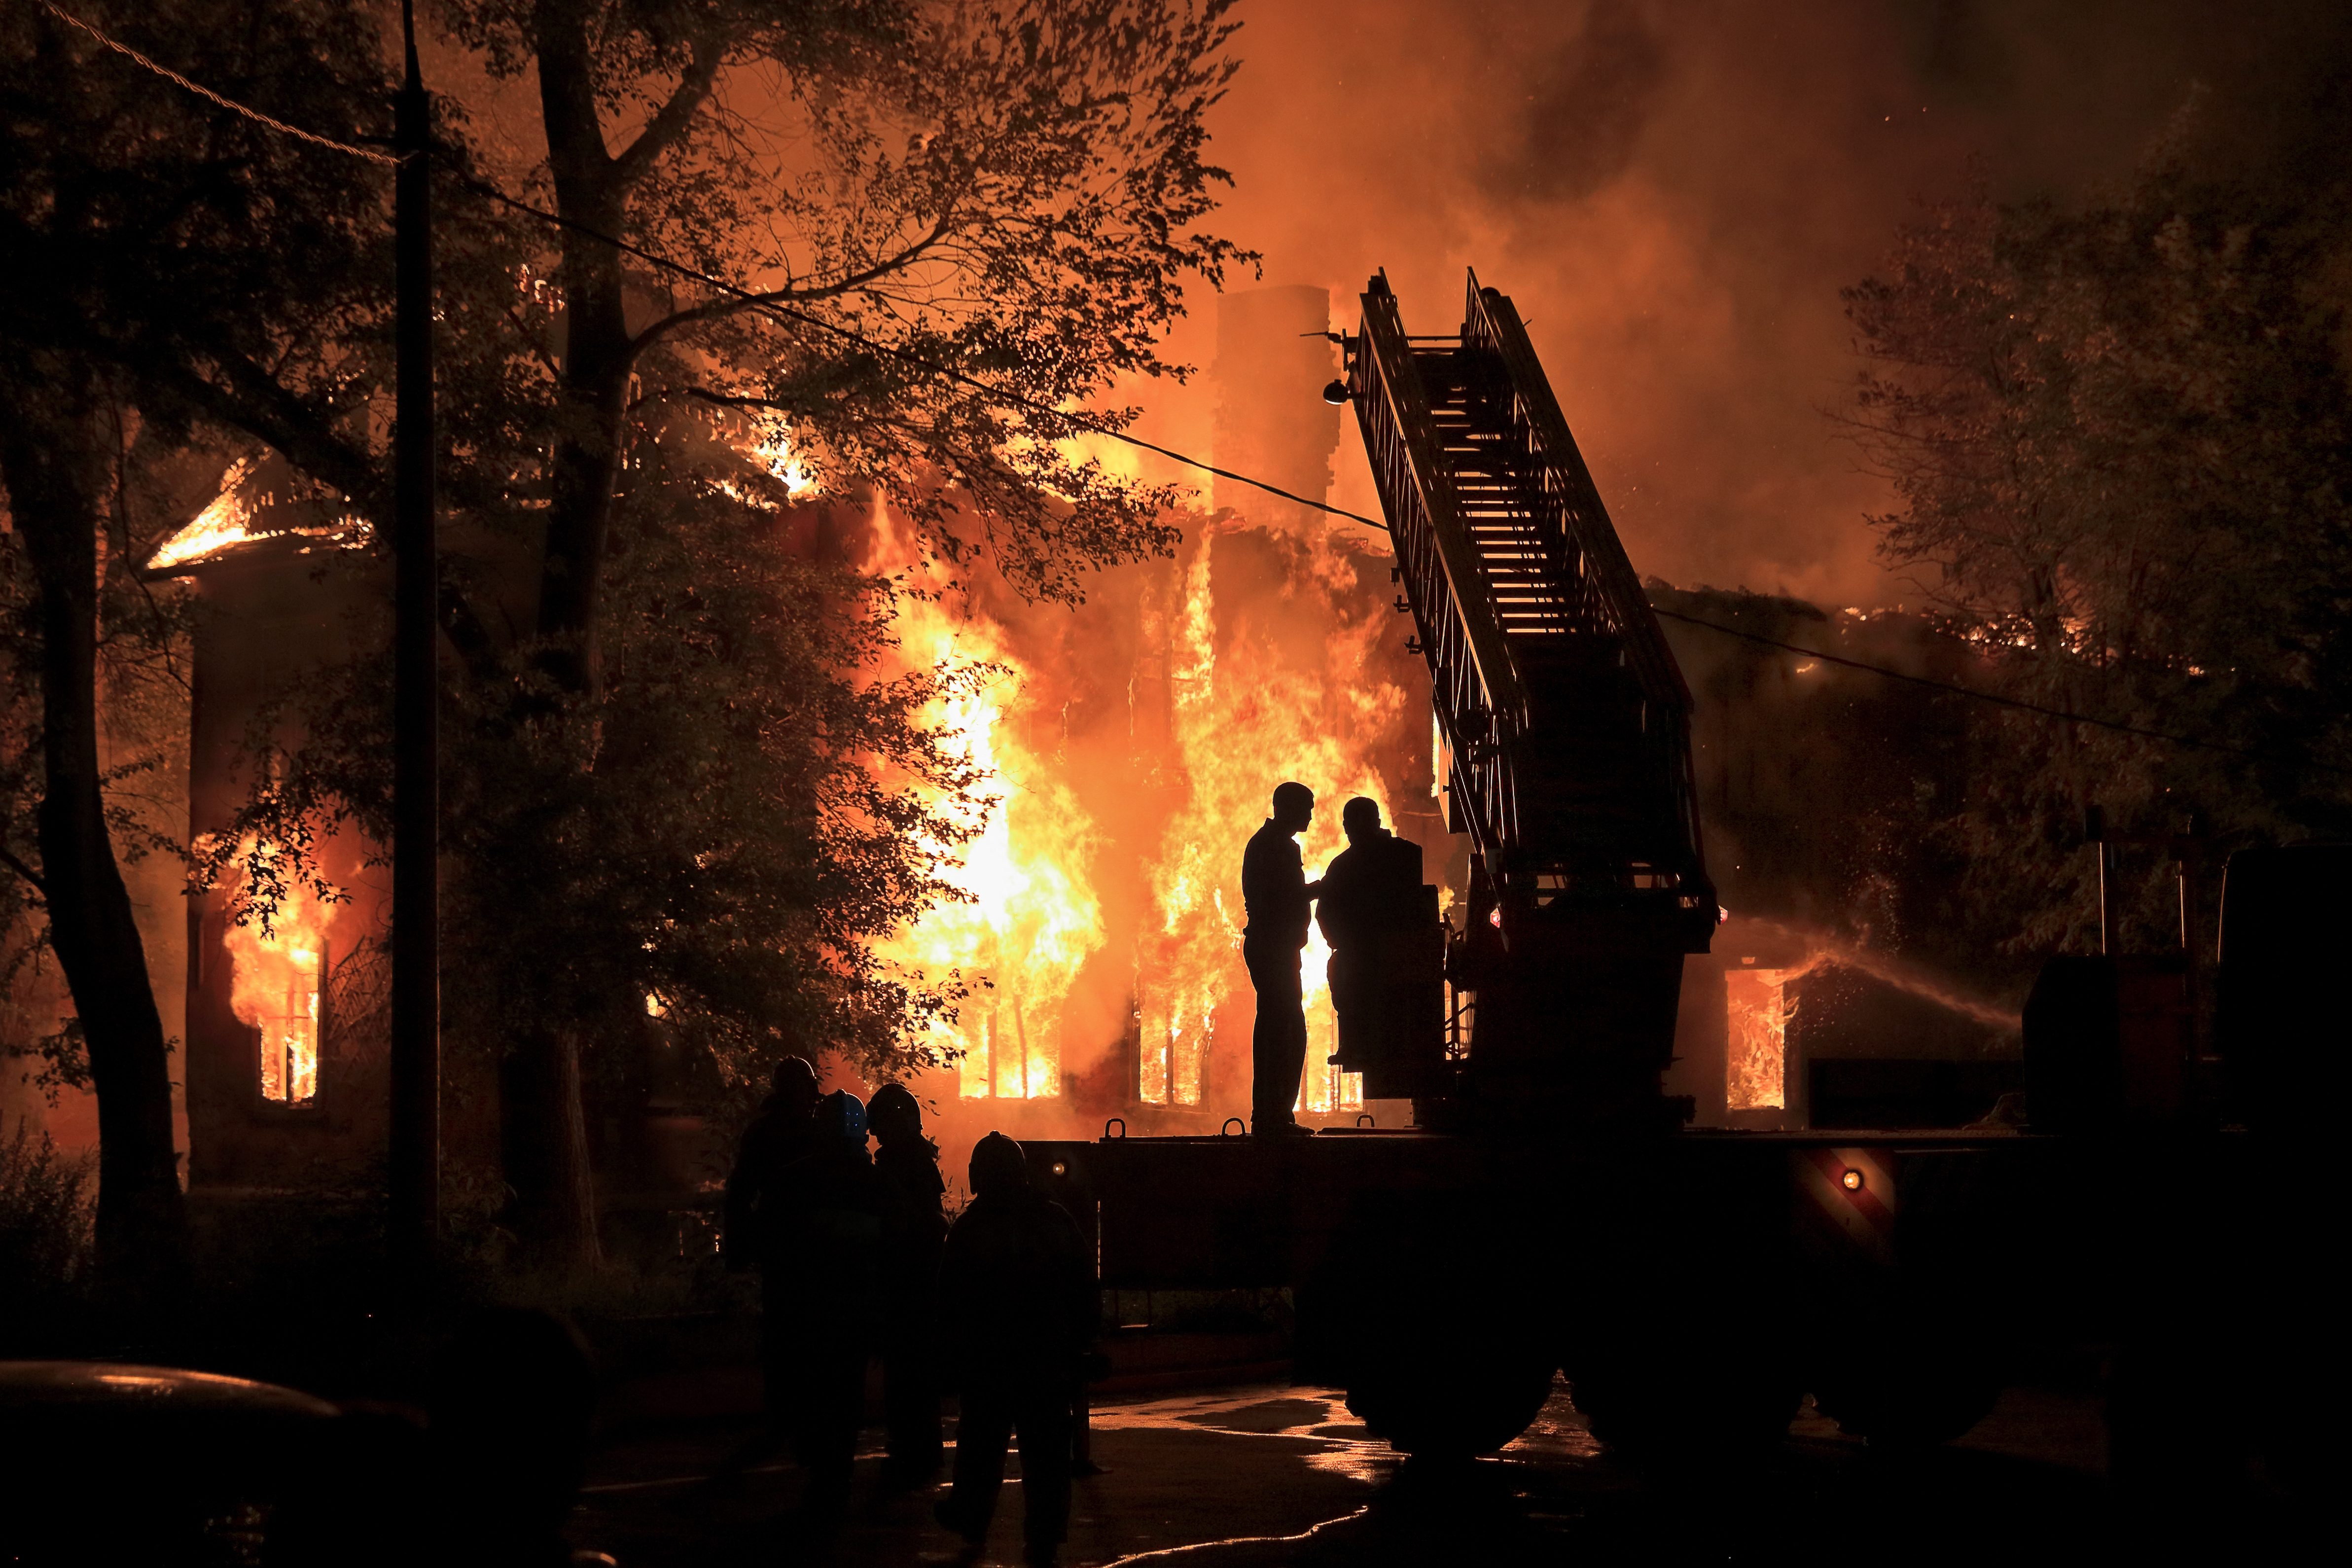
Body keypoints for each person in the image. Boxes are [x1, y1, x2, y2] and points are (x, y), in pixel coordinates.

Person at [934, 1133, 1094, 1568]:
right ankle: (1044, 1534)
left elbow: (948, 1300)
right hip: (1046, 1366)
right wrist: (1082, 1345)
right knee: (1046, 1456)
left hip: (989, 1367)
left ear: (977, 1175)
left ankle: (970, 1518)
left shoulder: (969, 1229)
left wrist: (949, 1356)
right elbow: (1084, 1287)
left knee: (980, 1447)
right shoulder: (1054, 1221)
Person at [867, 1082, 948, 1488]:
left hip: (909, 1285)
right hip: (917, 1283)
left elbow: (900, 1228)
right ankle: (921, 1450)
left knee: (909, 1374)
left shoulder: (902, 1167)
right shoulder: (916, 1162)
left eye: (880, 1126)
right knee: (915, 1373)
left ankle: (912, 1452)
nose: (876, 1135)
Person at [1315, 797, 1426, 1079]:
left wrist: (1343, 944)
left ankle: (1354, 1043)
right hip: (1405, 953)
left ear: (1347, 827)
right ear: (1378, 822)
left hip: (1367, 956)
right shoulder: (1406, 854)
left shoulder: (1343, 867)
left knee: (1340, 971)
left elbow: (1324, 913)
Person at [1242, 781, 1320, 1135]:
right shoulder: (1275, 848)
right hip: (1273, 947)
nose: (1310, 815)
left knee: (1281, 1027)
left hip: (1275, 947)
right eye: (1306, 808)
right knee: (1283, 1029)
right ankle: (1273, 1118)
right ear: (1287, 808)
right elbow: (1283, 898)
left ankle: (1273, 1115)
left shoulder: (1270, 844)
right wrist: (1325, 887)